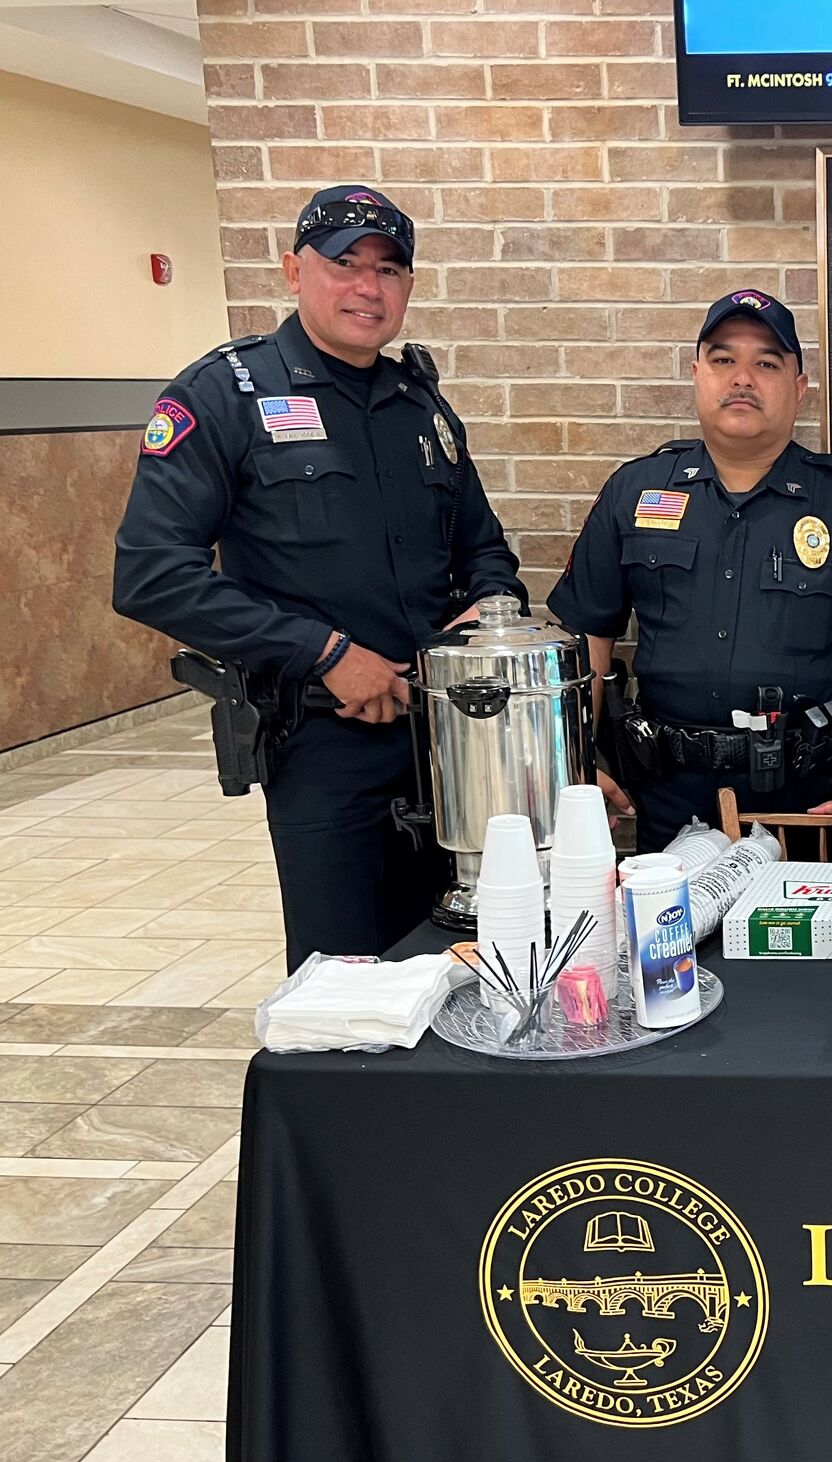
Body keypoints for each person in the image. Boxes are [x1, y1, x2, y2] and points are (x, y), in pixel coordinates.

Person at [114, 184, 524, 971]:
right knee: (343, 977)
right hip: (323, 748)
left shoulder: (421, 408)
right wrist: (324, 652)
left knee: (461, 955)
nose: (368, 287)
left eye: (389, 270)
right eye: (345, 264)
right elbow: (150, 575)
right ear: (294, 271)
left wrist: (493, 611)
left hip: (448, 743)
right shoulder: (223, 397)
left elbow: (484, 550)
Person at [548, 290, 832, 854]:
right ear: (696, 373)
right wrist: (572, 766)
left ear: (799, 387)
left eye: (767, 363)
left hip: (807, 802)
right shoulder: (636, 491)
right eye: (723, 360)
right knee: (667, 942)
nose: (742, 377)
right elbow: (589, 635)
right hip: (667, 795)